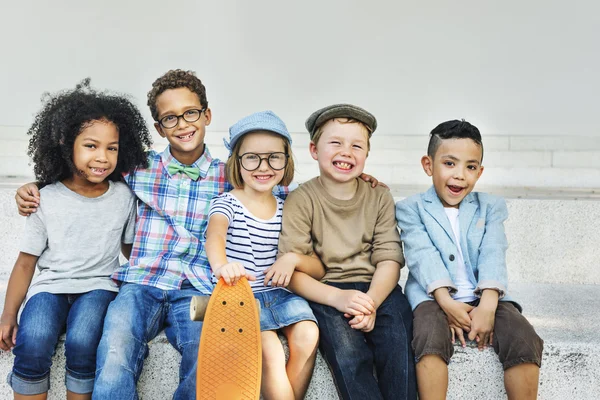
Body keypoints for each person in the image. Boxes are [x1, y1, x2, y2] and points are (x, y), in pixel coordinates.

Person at [0, 79, 151, 400]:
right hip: (50, 287)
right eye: (91, 145)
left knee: (83, 340)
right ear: (66, 144)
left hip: (99, 287)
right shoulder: (45, 197)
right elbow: (26, 262)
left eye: (112, 148)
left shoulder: (124, 196)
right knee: (34, 338)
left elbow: (130, 249)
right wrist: (8, 315)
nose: (102, 157)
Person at [395, 119, 543, 400]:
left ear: (480, 171)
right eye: (449, 164)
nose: (460, 175)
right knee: (427, 337)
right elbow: (422, 255)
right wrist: (447, 303)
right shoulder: (411, 208)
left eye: (470, 167)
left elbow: (493, 251)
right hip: (433, 297)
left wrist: (488, 304)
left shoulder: (490, 207)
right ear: (428, 165)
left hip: (486, 294)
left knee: (523, 338)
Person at [278, 104, 417, 400]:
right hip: (326, 291)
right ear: (314, 149)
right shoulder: (301, 200)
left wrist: (371, 303)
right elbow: (292, 274)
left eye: (357, 145)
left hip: (378, 289)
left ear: (367, 154)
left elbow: (389, 259)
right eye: (336, 143)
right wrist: (339, 298)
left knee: (397, 341)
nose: (347, 151)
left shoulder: (379, 195)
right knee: (348, 353)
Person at [205, 110, 322, 400]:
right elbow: (215, 235)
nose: (263, 166)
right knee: (270, 351)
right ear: (237, 161)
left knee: (308, 334)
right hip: (244, 300)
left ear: (286, 160)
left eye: (274, 157)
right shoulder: (227, 203)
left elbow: (317, 267)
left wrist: (293, 259)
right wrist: (222, 265)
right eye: (252, 158)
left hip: (283, 296)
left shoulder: (290, 204)